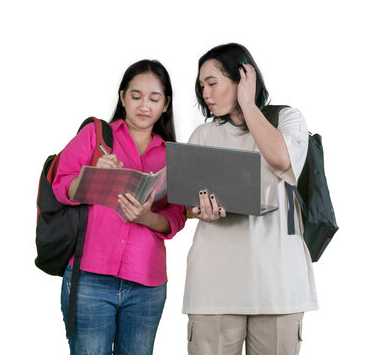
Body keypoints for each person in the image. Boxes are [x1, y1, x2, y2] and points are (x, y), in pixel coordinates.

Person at [183, 43, 318, 355]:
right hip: (213, 288)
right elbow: (187, 204)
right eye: (201, 86)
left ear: (244, 77)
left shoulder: (288, 120)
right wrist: (199, 212)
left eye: (213, 83)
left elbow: (282, 159)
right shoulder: (203, 135)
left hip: (278, 287)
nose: (205, 93)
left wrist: (248, 104)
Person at [52, 59, 187, 355]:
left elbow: (177, 217)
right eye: (136, 96)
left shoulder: (172, 155)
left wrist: (147, 217)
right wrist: (93, 174)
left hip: (147, 284)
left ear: (166, 105)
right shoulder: (96, 138)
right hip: (89, 278)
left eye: (154, 98)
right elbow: (61, 187)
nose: (144, 105)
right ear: (122, 96)